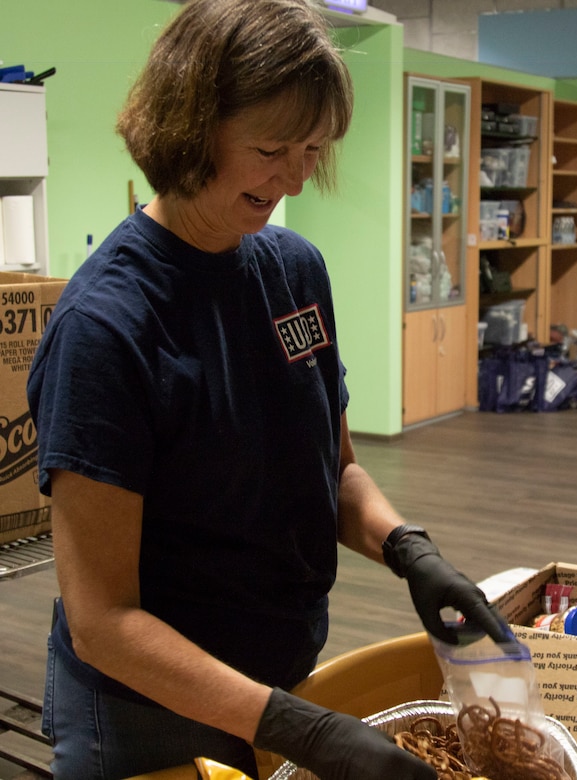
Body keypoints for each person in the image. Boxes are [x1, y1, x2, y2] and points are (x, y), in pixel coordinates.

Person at [26, 1, 511, 778]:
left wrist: (409, 552)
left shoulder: (292, 269)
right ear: (188, 128)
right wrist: (304, 730)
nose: (293, 174)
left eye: (314, 148)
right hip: (147, 714)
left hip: (278, 674)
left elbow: (335, 469)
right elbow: (104, 622)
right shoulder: (108, 326)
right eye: (270, 147)